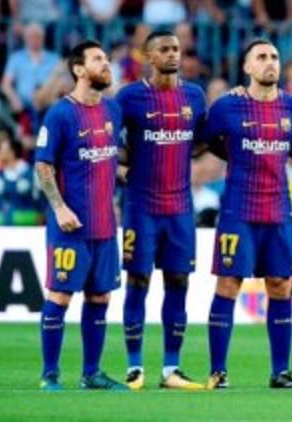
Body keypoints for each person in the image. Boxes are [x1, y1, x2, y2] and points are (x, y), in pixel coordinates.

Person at [202, 39, 292, 390]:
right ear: (247, 67)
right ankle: (218, 371)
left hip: (279, 211)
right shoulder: (227, 106)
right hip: (239, 211)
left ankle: (281, 371)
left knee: (280, 285)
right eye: (261, 57)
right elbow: (206, 140)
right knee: (228, 284)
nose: (270, 62)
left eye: (274, 56)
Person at [114, 30, 208, 391]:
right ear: (148, 57)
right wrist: (122, 167)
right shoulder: (129, 98)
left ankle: (171, 368)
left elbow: (203, 140)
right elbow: (108, 141)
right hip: (141, 207)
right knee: (138, 281)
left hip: (180, 208)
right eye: (164, 49)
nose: (172, 54)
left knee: (178, 282)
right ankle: (134, 367)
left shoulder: (194, 96)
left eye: (176, 49)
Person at [35, 40, 126, 391]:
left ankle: (92, 373)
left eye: (107, 58)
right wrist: (59, 208)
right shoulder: (60, 114)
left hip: (105, 225)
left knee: (100, 297)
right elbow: (43, 166)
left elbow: (109, 160)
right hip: (70, 227)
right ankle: (50, 374)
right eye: (98, 59)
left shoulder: (112, 110)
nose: (106, 64)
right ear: (78, 69)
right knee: (60, 296)